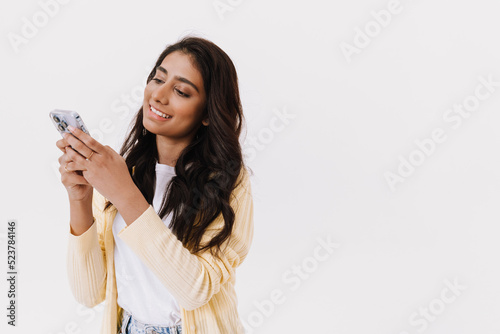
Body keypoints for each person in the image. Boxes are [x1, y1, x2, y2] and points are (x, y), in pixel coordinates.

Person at [55, 36, 254, 334]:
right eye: (157, 79)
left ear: (207, 114)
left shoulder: (228, 182)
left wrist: (123, 192)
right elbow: (89, 294)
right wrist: (80, 199)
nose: (158, 95)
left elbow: (194, 291)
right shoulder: (126, 169)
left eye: (181, 91)